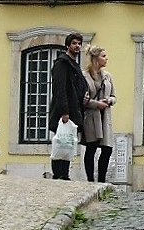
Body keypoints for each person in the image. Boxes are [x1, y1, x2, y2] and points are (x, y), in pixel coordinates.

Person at [49, 32, 88, 180]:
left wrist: (84, 95)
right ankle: (58, 174)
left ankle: (64, 173)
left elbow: (80, 85)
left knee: (68, 142)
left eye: (79, 43)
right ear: (67, 45)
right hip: (63, 111)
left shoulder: (74, 65)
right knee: (61, 141)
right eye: (74, 43)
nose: (77, 46)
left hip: (74, 108)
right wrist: (64, 112)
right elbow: (60, 89)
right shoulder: (61, 63)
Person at [81, 45, 117, 183]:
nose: (106, 58)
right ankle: (90, 181)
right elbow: (82, 100)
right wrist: (97, 104)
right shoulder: (84, 76)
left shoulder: (108, 76)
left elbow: (114, 95)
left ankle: (102, 180)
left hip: (105, 117)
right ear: (95, 59)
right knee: (91, 149)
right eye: (103, 56)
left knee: (107, 149)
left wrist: (109, 100)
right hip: (91, 117)